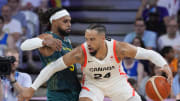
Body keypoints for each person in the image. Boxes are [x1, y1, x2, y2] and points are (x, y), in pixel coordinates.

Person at [19, 24, 173, 101]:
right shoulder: (80, 52)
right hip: (93, 85)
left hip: (117, 83)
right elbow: (52, 67)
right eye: (86, 39)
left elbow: (149, 54)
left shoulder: (119, 48)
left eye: (92, 39)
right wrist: (32, 88)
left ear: (102, 38)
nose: (88, 43)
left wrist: (165, 65)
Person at [20, 8, 81, 101]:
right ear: (54, 22)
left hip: (74, 91)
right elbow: (24, 46)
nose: (69, 24)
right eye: (65, 21)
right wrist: (43, 42)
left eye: (70, 21)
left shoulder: (67, 41)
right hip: (58, 92)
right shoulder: (48, 36)